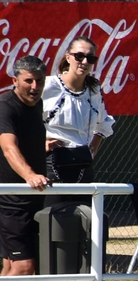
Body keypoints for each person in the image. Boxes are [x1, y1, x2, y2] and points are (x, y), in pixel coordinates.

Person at [0, 56, 48, 281]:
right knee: (23, 267)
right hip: (11, 199)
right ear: (15, 79)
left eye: (39, 81)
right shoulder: (6, 106)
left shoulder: (37, 106)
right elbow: (8, 146)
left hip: (31, 198)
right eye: (28, 80)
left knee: (9, 269)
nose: (34, 86)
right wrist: (30, 174)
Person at [42, 36, 114, 205]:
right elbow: (24, 119)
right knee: (52, 218)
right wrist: (40, 144)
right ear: (68, 57)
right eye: (79, 56)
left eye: (90, 58)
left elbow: (104, 124)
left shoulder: (94, 89)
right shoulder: (48, 86)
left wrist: (92, 150)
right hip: (52, 162)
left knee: (84, 218)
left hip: (82, 162)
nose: (84, 62)